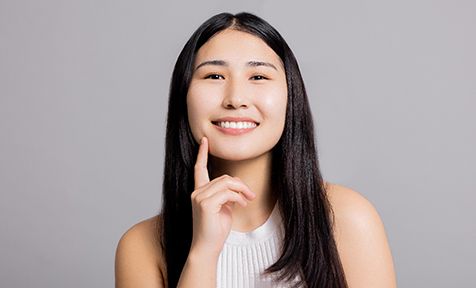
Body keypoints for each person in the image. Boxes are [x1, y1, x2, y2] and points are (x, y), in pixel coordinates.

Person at [115, 12, 396, 288]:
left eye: (259, 77)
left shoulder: (347, 218)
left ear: (290, 97)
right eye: (214, 75)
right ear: (183, 97)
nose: (236, 99)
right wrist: (203, 253)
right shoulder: (142, 246)